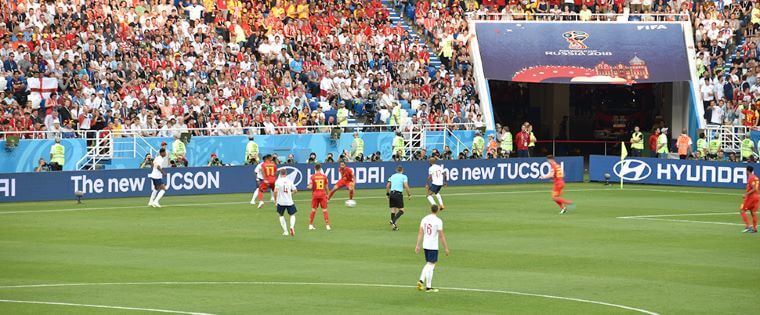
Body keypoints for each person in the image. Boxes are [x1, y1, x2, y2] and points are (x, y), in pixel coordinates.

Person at [414, 205, 450, 293]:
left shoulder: (424, 219)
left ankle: (428, 287)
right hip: (433, 246)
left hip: (425, 244)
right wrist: (446, 248)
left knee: (431, 265)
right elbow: (441, 236)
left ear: (431, 210)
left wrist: (418, 245)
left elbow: (420, 233)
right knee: (430, 264)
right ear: (437, 211)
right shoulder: (438, 221)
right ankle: (421, 280)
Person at [274, 169, 299, 236]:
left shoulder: (278, 181)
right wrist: (290, 193)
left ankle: (285, 231)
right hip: (289, 201)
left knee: (281, 215)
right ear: (286, 174)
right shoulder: (289, 181)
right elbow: (295, 190)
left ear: (280, 174)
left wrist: (275, 200)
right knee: (292, 215)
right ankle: (292, 227)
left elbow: (275, 191)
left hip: (281, 201)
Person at [387, 165, 412, 231]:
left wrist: (387, 194)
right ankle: (393, 220)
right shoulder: (404, 176)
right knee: (402, 210)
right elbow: (406, 185)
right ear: (402, 170)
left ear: (396, 170)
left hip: (392, 194)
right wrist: (409, 194)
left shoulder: (392, 176)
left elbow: (387, 185)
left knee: (393, 209)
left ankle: (394, 226)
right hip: (398, 194)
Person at [308, 163, 331, 231]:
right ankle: (327, 226)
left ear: (315, 169)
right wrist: (328, 196)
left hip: (315, 195)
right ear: (320, 169)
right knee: (324, 210)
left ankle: (310, 225)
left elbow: (311, 187)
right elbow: (326, 187)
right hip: (322, 195)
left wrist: (308, 186)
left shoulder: (312, 177)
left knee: (313, 210)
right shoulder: (324, 176)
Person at [740, 166, 759, 233]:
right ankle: (754, 228)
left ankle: (748, 226)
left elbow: (754, 188)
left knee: (742, 210)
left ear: (747, 171)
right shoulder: (756, 177)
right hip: (757, 196)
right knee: (753, 212)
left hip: (751, 197)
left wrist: (746, 194)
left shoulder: (751, 178)